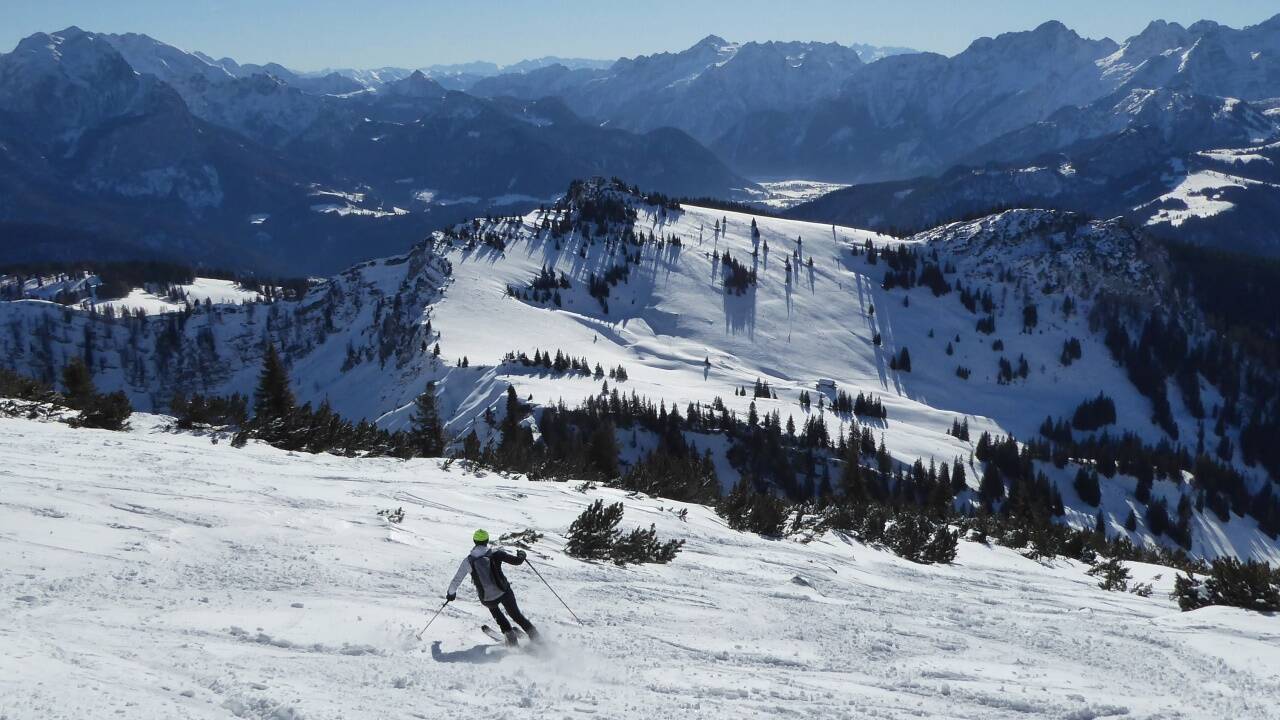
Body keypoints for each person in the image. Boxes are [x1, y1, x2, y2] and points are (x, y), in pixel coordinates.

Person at [445, 529, 539, 646]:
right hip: (504, 591)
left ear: (474, 541)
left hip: (487, 598)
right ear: (487, 540)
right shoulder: (495, 553)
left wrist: (451, 594)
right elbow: (517, 561)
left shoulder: (468, 561)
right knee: (516, 615)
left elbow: (456, 580)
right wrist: (522, 555)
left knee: (497, 614)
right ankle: (537, 638)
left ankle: (511, 638)